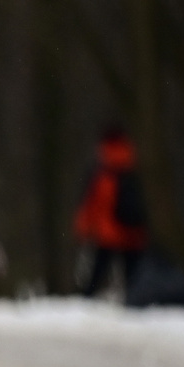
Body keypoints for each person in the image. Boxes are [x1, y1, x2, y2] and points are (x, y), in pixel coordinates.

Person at [74, 124, 149, 300]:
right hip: (133, 232)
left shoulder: (103, 170)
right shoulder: (133, 164)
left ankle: (87, 300)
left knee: (98, 272)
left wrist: (83, 228)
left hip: (108, 232)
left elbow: (93, 203)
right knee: (132, 275)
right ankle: (135, 302)